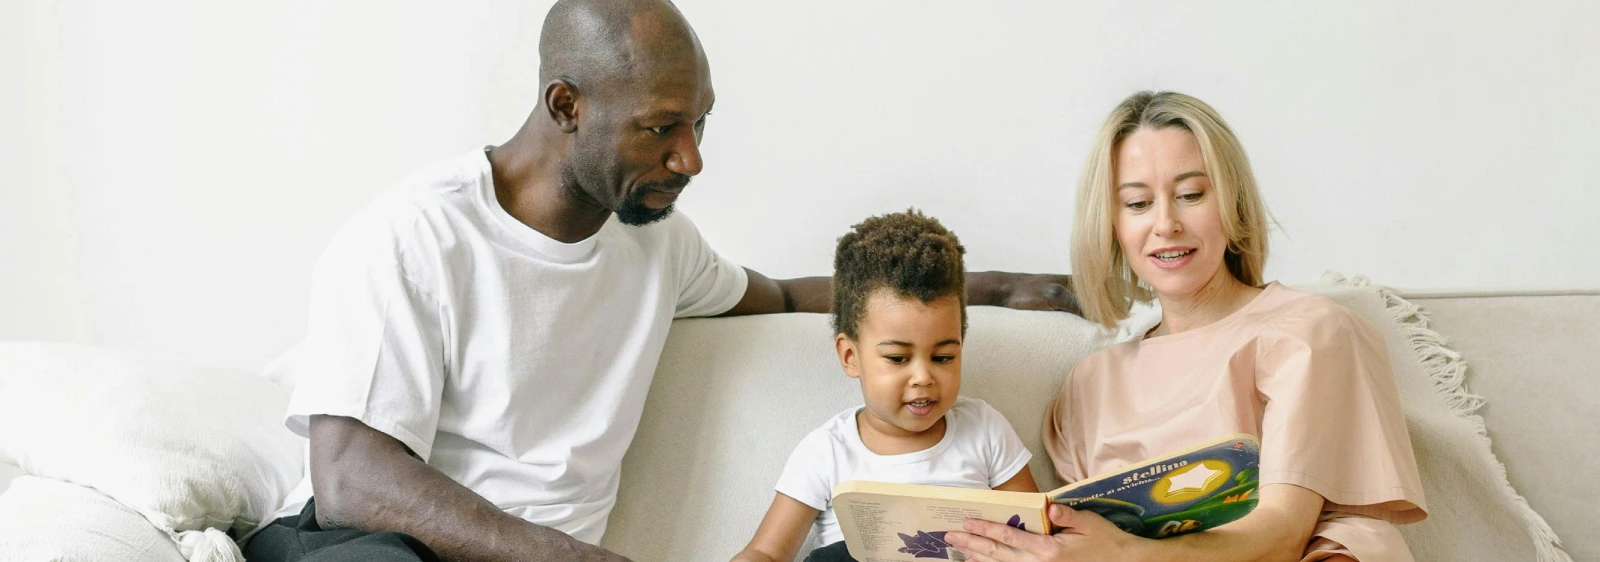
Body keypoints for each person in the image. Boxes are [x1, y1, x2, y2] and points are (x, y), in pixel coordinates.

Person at [242, 2, 1078, 561]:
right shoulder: (416, 235)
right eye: (660, 128)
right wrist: (564, 555)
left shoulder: (658, 246)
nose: (692, 158)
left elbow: (783, 297)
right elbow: (351, 478)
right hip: (365, 546)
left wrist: (994, 286)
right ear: (567, 105)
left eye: (700, 122)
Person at [943, 91, 1427, 562]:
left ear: (1233, 203)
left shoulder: (1309, 331)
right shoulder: (1091, 385)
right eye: (1137, 204)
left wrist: (1129, 554)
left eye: (1191, 195)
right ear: (1111, 226)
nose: (1166, 223)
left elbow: (1283, 535)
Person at [730, 210, 1039, 562]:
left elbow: (1033, 533)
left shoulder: (984, 429)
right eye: (897, 359)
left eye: (943, 358)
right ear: (850, 356)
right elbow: (766, 551)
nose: (923, 377)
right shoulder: (827, 451)